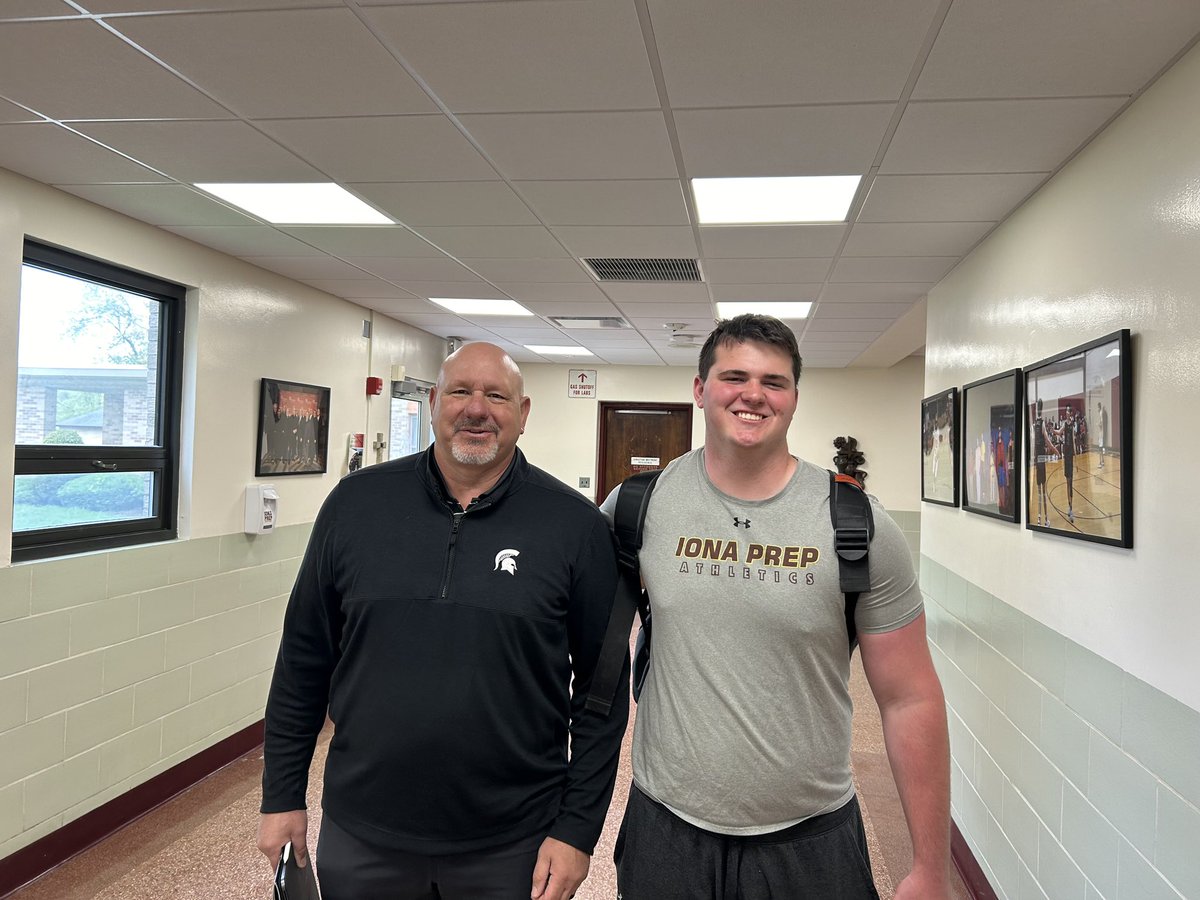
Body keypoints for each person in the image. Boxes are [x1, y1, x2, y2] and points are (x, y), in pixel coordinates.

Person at [257, 342, 627, 900]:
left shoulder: (574, 527)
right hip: (363, 831)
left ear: (522, 415)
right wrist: (282, 793)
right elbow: (303, 659)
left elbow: (601, 696)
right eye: (460, 391)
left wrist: (577, 829)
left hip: (513, 841)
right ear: (433, 403)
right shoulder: (355, 506)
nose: (476, 409)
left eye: (497, 396)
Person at [602, 315, 951, 899]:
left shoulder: (859, 525)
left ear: (793, 399)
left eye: (775, 381)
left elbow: (910, 697)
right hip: (666, 829)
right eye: (734, 375)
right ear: (699, 389)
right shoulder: (637, 506)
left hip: (809, 840)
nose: (753, 394)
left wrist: (931, 868)